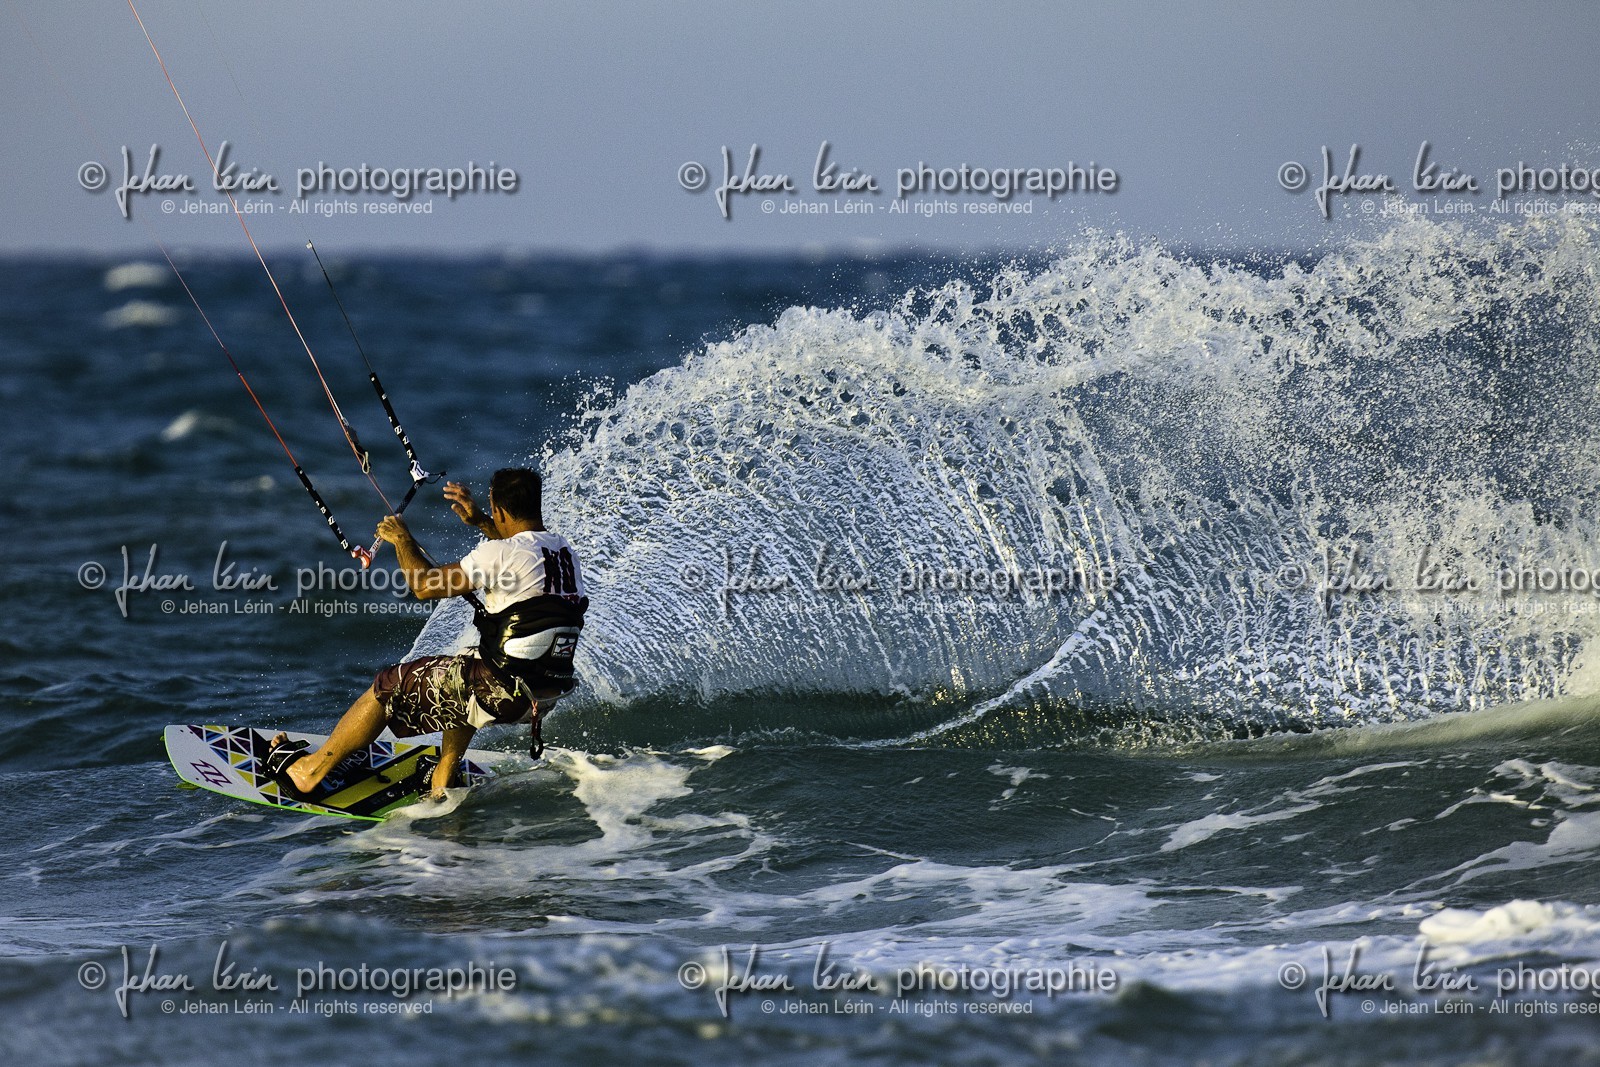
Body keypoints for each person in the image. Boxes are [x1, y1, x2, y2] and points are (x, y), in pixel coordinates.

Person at [265, 467, 588, 801]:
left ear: (500, 509)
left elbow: (423, 586)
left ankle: (309, 771)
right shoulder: (564, 554)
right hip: (542, 695)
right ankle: (444, 774)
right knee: (463, 667)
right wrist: (480, 521)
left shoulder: (500, 554)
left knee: (388, 686)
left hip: (501, 692)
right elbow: (520, 553)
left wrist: (401, 539)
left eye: (492, 509)